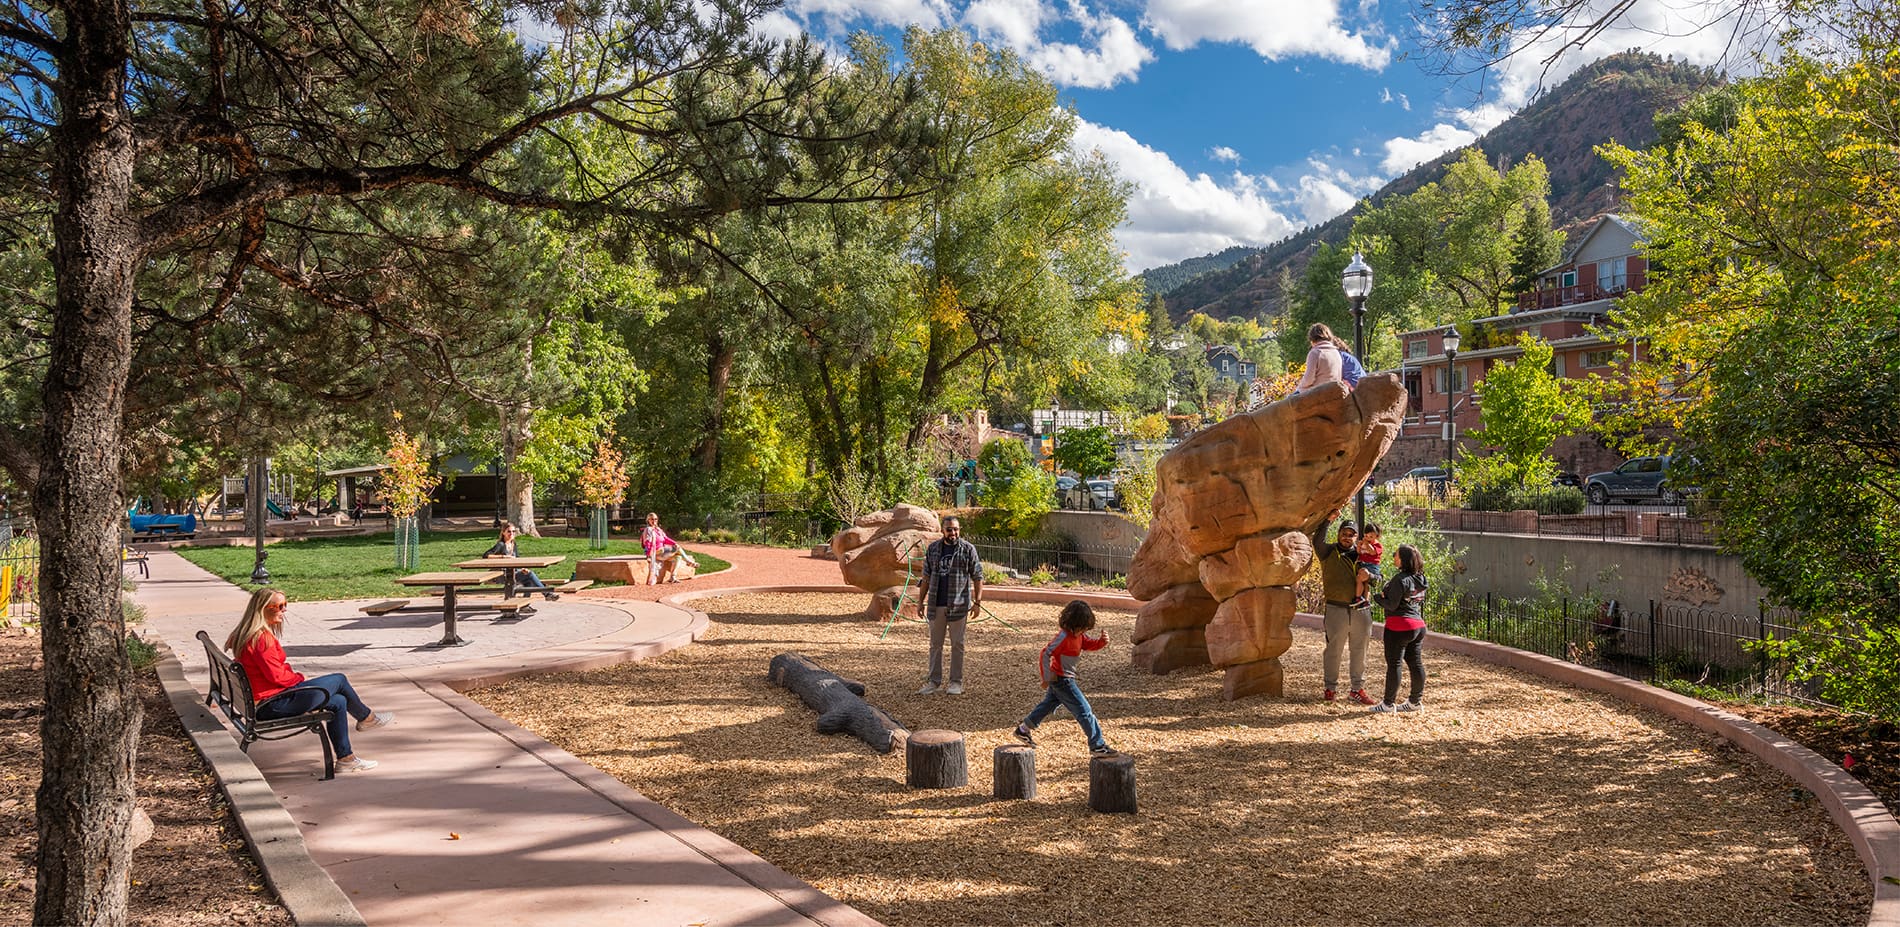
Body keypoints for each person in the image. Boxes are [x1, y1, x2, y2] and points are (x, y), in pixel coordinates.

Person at [225, 588, 392, 773]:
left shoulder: (245, 633)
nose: (284, 610)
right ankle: (367, 718)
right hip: (270, 705)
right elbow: (278, 677)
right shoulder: (261, 639)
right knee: (339, 680)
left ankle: (346, 759)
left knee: (338, 701)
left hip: (262, 700)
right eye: (279, 606)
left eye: (285, 605)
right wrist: (299, 679)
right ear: (262, 608)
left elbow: (273, 674)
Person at [1013, 600, 1115, 756]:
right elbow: (1045, 653)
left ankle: (1023, 729)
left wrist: (1101, 643)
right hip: (1062, 680)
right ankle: (1097, 745)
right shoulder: (1063, 637)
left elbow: (1088, 644)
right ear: (1074, 624)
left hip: (1062, 678)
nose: (1084, 632)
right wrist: (1046, 677)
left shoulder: (1079, 635)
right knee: (1084, 711)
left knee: (1047, 705)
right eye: (1083, 629)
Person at [1309, 514, 1375, 705]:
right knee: (1333, 650)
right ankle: (1330, 688)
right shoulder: (1328, 552)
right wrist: (1327, 520)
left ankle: (1357, 689)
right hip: (1335, 608)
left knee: (1360, 650)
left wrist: (1369, 576)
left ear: (1357, 537)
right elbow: (1317, 540)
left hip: (1361, 610)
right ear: (1338, 534)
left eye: (1351, 535)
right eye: (1344, 533)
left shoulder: (1363, 555)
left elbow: (1378, 578)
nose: (1347, 537)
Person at [915, 515, 982, 696]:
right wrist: (920, 602)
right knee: (935, 645)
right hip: (936, 603)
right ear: (943, 531)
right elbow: (926, 578)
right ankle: (933, 681)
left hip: (959, 605)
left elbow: (977, 576)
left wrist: (977, 603)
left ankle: (955, 682)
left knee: (957, 645)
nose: (953, 533)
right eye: (949, 529)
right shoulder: (934, 549)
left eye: (956, 529)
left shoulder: (968, 549)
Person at [1369, 544, 1430, 714]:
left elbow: (1392, 605)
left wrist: (1378, 598)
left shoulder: (1400, 579)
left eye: (1395, 555)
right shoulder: (1421, 579)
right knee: (1415, 663)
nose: (1393, 557)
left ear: (1403, 559)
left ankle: (1388, 704)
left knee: (1394, 663)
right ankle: (1415, 702)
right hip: (1418, 626)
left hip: (1399, 626)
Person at [484, 523, 559, 601]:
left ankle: (524, 605)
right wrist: (503, 557)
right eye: (509, 531)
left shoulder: (513, 544)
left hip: (513, 572)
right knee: (530, 575)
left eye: (513, 531)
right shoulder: (501, 545)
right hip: (503, 575)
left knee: (528, 579)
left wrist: (522, 568)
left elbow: (518, 560)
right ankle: (547, 594)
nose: (511, 534)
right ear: (503, 533)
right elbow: (486, 555)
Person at [1292, 323, 1345, 393]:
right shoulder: (1336, 353)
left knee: (1288, 399)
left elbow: (1308, 380)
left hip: (1317, 394)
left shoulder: (1315, 353)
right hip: (1333, 392)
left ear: (1312, 339)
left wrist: (1299, 387)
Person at [640, 513, 681, 584]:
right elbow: (647, 542)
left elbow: (665, 539)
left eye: (655, 519)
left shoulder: (658, 529)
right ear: (648, 520)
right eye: (652, 519)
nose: (654, 521)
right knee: (676, 549)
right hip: (656, 552)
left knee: (678, 557)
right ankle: (689, 561)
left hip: (662, 553)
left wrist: (674, 543)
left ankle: (673, 577)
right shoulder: (648, 529)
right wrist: (648, 554)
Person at [1353, 523, 1384, 609]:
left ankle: (1359, 597)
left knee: (1360, 579)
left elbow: (1373, 552)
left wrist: (1367, 544)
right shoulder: (1363, 543)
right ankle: (1365, 601)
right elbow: (1359, 552)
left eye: (1371, 537)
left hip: (1372, 566)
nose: (1368, 538)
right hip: (1363, 563)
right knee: (1365, 583)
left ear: (1376, 537)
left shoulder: (1377, 545)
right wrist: (1359, 546)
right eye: (1366, 536)